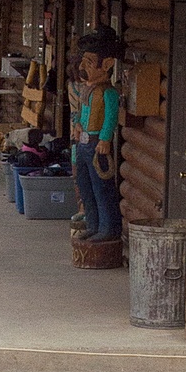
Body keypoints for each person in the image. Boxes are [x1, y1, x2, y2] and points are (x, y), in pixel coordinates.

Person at [71, 28, 123, 243]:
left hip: (96, 144)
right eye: (84, 61)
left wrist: (105, 138)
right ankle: (93, 224)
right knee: (86, 187)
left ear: (107, 64)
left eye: (90, 62)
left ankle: (107, 228)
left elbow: (111, 117)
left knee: (101, 188)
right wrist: (76, 125)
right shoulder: (87, 90)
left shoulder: (108, 92)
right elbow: (81, 112)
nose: (83, 68)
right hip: (82, 144)